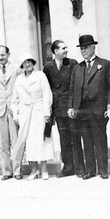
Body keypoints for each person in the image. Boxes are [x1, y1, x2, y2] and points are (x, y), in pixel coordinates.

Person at [68, 35, 110, 180]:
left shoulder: (104, 64)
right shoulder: (78, 68)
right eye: (81, 48)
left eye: (86, 48)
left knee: (100, 139)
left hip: (98, 108)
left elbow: (109, 87)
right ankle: (90, 170)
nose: (83, 51)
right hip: (82, 109)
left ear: (94, 47)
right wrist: (71, 107)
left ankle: (103, 170)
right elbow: (72, 89)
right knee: (86, 140)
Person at [43, 40, 85, 178]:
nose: (66, 50)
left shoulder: (72, 63)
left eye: (66, 47)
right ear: (55, 51)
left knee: (75, 137)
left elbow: (77, 85)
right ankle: (68, 167)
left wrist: (74, 105)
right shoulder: (48, 68)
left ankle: (79, 167)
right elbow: (47, 89)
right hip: (58, 108)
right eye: (63, 48)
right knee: (64, 138)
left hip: (71, 107)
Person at [11, 53, 54, 180]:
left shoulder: (40, 75)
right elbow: (15, 99)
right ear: (22, 65)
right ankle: (34, 170)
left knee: (42, 139)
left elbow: (47, 93)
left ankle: (44, 169)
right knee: (29, 141)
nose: (27, 64)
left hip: (39, 110)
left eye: (29, 61)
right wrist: (16, 115)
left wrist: (47, 112)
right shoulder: (19, 79)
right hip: (25, 113)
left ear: (33, 63)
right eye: (25, 62)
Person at [0, 45, 22, 180]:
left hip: (13, 109)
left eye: (3, 55)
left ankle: (18, 170)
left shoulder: (16, 69)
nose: (1, 58)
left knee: (16, 141)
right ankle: (7, 171)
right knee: (3, 143)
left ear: (8, 54)